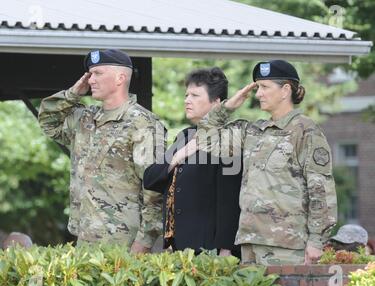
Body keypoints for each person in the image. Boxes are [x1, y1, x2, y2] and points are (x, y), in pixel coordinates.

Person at [196, 60, 337, 265]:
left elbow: (321, 190)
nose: (258, 94)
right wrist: (226, 107)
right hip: (250, 244)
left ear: (285, 90)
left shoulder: (305, 131)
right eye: (257, 87)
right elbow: (206, 140)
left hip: (287, 247)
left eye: (264, 87)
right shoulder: (253, 131)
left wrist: (316, 241)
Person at [38, 49, 166, 253]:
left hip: (123, 243)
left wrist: (144, 243)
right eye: (89, 74)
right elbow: (47, 121)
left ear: (120, 78)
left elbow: (155, 189)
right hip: (84, 239)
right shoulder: (85, 118)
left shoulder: (142, 123)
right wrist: (72, 94)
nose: (90, 80)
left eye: (98, 73)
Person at [143, 67, 242, 257]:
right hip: (178, 249)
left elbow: (230, 200)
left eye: (195, 95)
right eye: (186, 95)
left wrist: (226, 250)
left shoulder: (228, 138)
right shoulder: (185, 136)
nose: (187, 100)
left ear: (217, 103)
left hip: (209, 250)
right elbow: (150, 179)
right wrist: (178, 156)